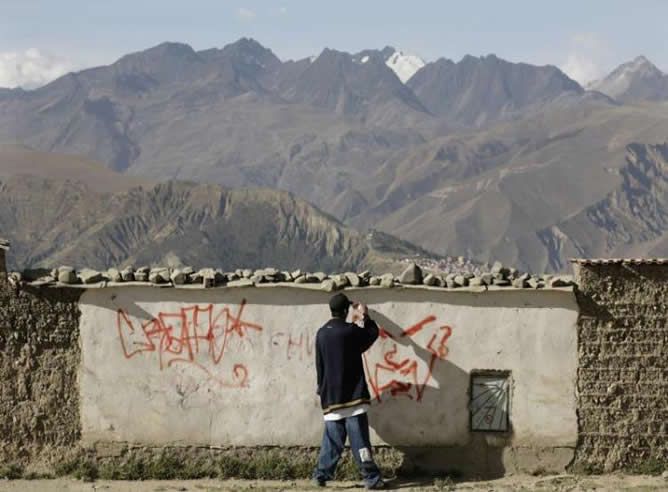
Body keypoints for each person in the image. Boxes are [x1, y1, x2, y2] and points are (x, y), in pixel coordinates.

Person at [312, 293, 385, 489]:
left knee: (332, 442)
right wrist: (364, 315)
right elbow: (372, 333)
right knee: (360, 442)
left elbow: (319, 365)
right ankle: (372, 478)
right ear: (345, 311)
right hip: (353, 398)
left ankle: (321, 475)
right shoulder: (350, 331)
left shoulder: (321, 333)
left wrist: (322, 389)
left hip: (332, 398)